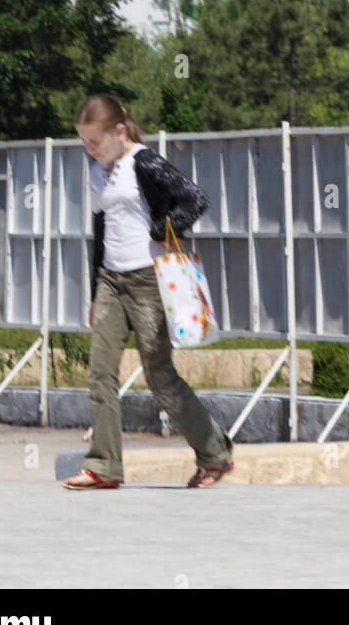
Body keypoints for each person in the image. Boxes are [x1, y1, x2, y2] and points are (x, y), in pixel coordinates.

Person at [63, 93, 234, 490]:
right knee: (99, 373)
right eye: (85, 142)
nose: (90, 149)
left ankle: (215, 454)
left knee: (159, 376)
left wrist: (161, 230)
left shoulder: (144, 161)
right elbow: (100, 231)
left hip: (147, 281)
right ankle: (103, 466)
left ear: (119, 131)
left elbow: (195, 199)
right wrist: (93, 291)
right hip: (110, 280)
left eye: (95, 141)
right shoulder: (96, 172)